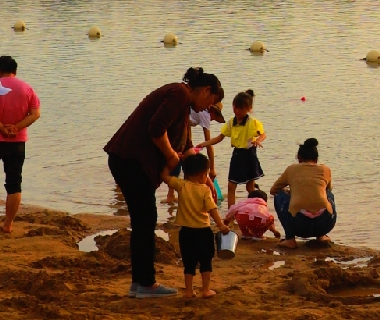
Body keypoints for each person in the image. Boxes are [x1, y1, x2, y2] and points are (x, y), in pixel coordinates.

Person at [104, 66, 219, 298]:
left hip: (127, 161)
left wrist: (205, 179)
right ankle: (146, 284)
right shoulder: (180, 93)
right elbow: (156, 128)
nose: (208, 108)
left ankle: (139, 283)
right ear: (206, 90)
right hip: (131, 161)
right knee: (146, 221)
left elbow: (187, 147)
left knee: (143, 223)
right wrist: (169, 155)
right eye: (211, 101)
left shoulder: (184, 104)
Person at [0, 55, 40, 235]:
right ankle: (8, 224)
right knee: (14, 182)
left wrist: (1, 127)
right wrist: (16, 127)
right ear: (14, 70)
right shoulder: (27, 88)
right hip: (17, 142)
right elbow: (35, 114)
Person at [173, 150, 227, 296]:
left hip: (186, 232)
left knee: (188, 262)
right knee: (206, 260)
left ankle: (189, 290)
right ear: (204, 174)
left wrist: (174, 159)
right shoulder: (205, 190)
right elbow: (212, 209)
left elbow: (165, 177)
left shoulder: (181, 185)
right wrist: (221, 225)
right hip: (203, 231)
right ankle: (205, 289)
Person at [271, 139, 337, 243]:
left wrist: (290, 192)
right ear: (316, 159)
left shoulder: (292, 169)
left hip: (298, 225)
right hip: (324, 224)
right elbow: (328, 189)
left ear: (299, 158)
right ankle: (321, 236)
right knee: (329, 194)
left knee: (279, 195)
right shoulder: (325, 169)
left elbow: (274, 190)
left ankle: (290, 239)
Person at [223, 91, 266, 208]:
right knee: (231, 186)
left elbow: (262, 134)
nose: (237, 111)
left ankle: (256, 208)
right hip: (237, 155)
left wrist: (258, 140)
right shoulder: (232, 122)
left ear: (248, 109)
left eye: (241, 109)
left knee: (249, 187)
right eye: (235, 107)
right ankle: (230, 213)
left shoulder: (253, 123)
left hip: (249, 155)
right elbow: (220, 137)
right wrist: (205, 144)